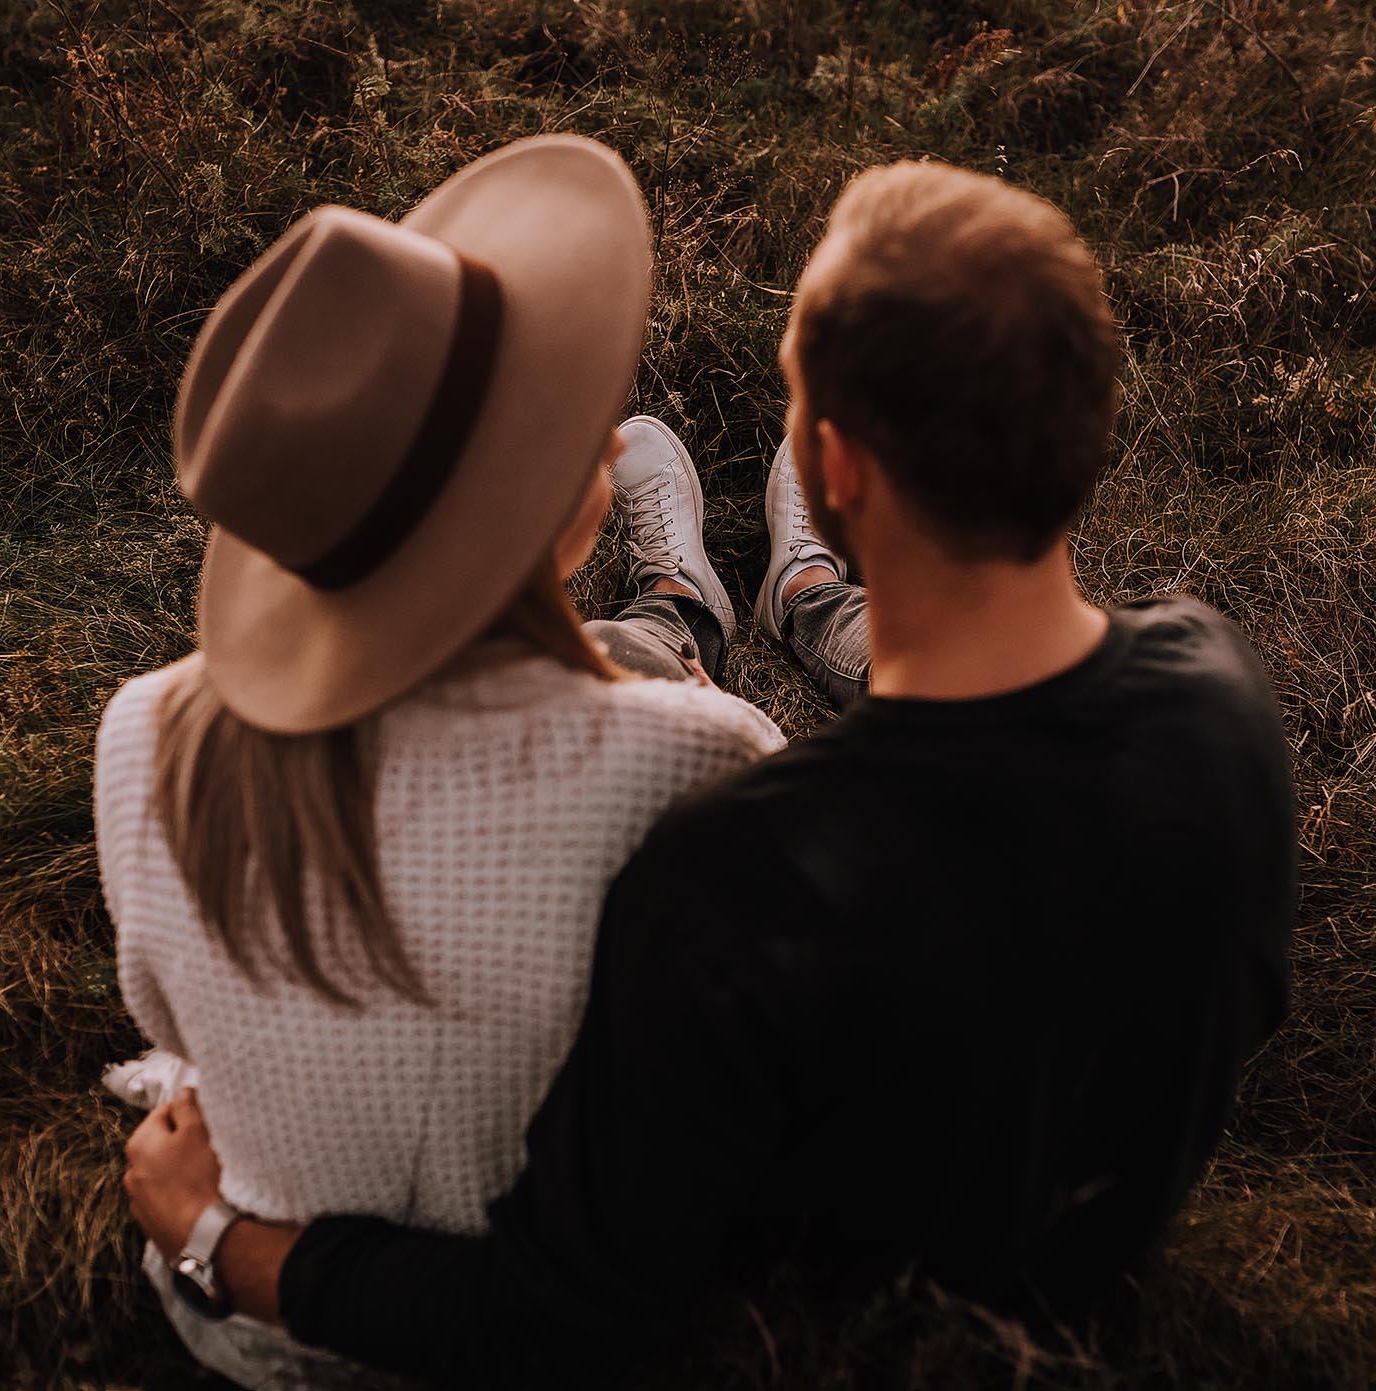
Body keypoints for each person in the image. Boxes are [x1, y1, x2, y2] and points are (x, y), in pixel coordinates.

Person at [124, 158, 1298, 1386]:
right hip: (1094, 1260)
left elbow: (555, 1314)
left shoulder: (739, 880)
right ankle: (814, 601)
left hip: (851, 1313)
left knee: (657, 650)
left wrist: (223, 1236)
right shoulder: (1220, 692)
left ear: (836, 466)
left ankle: (737, 599)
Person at [97, 134, 782, 1387]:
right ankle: (687, 601)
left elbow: (166, 1020)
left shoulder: (141, 732)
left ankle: (670, 606)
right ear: (535, 493)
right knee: (643, 662)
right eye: (561, 408)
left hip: (244, 1323)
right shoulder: (699, 759)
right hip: (542, 1322)